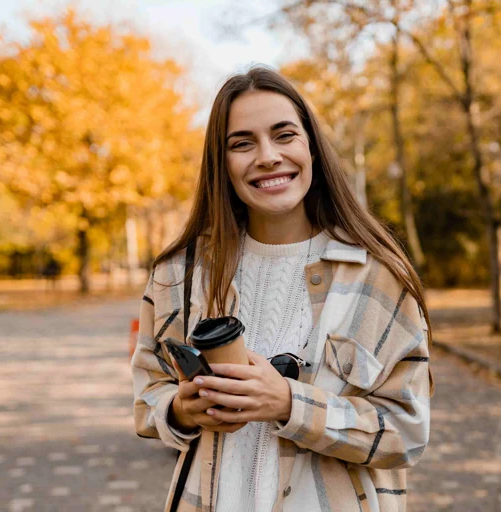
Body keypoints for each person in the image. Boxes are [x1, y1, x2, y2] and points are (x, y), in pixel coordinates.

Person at [131, 67, 433, 512]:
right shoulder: (180, 273)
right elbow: (148, 398)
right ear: (222, 162)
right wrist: (179, 409)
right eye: (242, 143)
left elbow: (406, 431)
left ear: (311, 146)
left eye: (284, 135)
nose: (268, 156)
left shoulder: (377, 274)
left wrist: (290, 403)